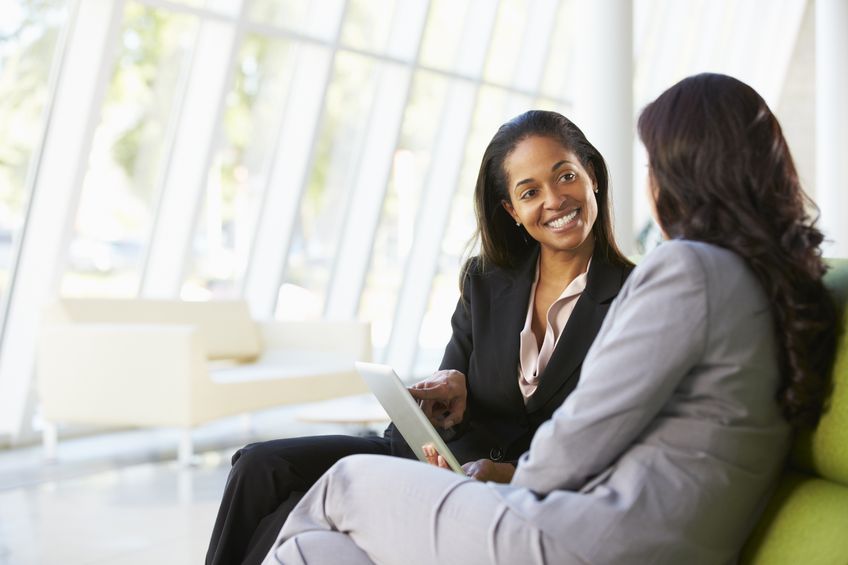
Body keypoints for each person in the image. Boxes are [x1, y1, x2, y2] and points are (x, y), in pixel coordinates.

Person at [262, 73, 839, 565]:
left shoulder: (689, 271)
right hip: (651, 539)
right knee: (325, 552)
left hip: (589, 539)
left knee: (343, 484)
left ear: (686, 172)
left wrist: (500, 488)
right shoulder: (779, 282)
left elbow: (584, 431)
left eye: (654, 163)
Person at [205, 110, 634, 564]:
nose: (554, 200)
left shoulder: (636, 299)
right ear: (511, 210)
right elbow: (450, 395)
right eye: (530, 192)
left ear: (592, 176)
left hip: (514, 495)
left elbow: (606, 441)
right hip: (434, 460)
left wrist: (507, 474)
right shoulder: (485, 282)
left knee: (290, 519)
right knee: (259, 466)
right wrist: (447, 394)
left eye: (565, 176)